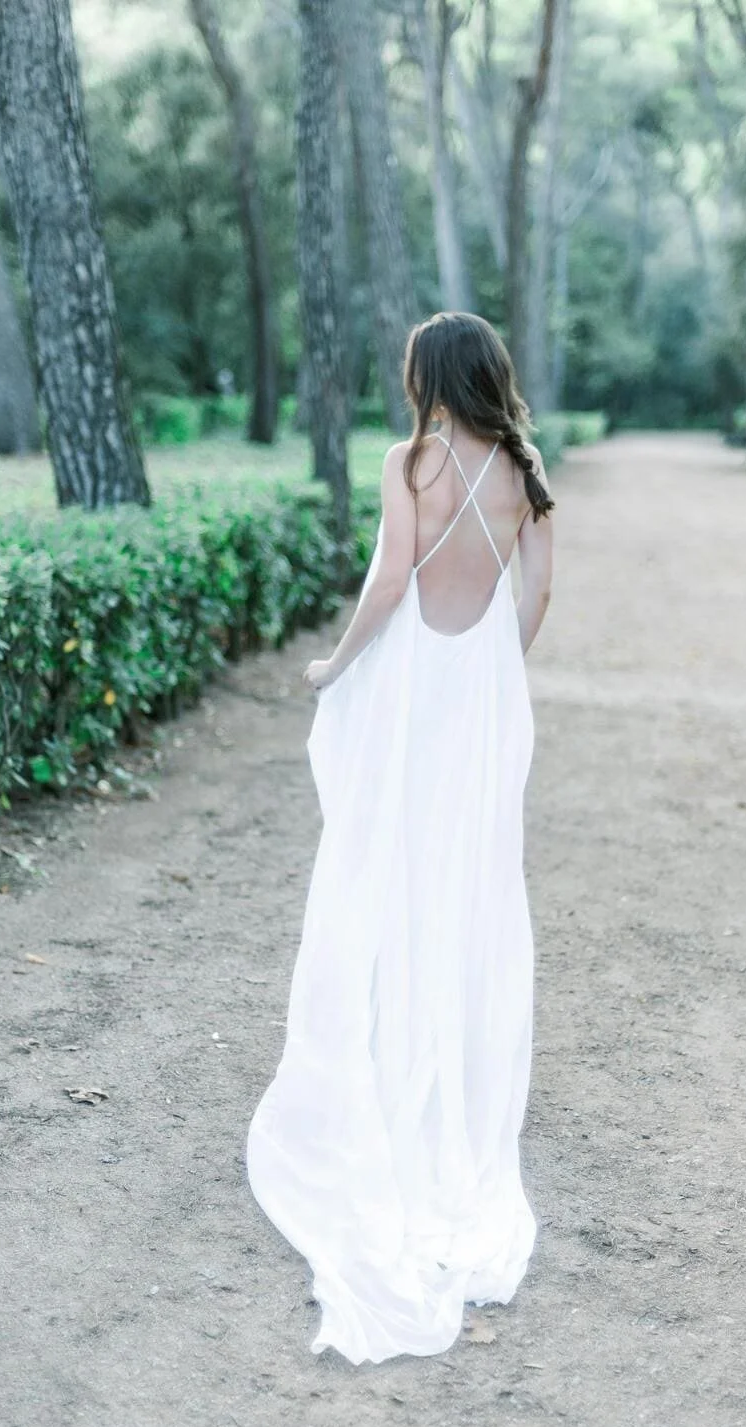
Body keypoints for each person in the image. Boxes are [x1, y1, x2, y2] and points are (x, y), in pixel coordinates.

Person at [245, 311, 555, 1365]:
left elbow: (389, 582)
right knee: (469, 881)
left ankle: (390, 1047)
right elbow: (537, 587)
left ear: (430, 374)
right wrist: (495, 679)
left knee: (390, 866)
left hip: (416, 686)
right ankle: (448, 1056)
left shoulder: (409, 459)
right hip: (478, 696)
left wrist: (335, 667)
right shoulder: (522, 466)